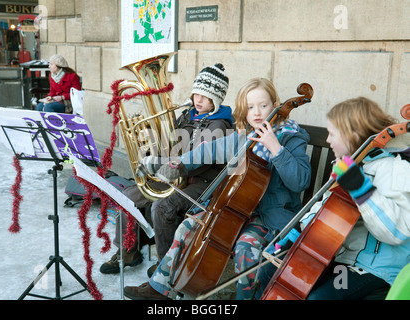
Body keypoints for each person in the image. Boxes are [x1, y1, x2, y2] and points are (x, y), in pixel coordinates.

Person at [123, 77, 312, 300]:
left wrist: (276, 149)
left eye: (263, 105)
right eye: (251, 107)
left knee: (246, 248)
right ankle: (160, 289)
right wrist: (177, 165)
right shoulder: (245, 138)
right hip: (237, 211)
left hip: (270, 217)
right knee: (188, 226)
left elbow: (301, 181)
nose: (257, 112)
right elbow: (208, 150)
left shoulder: (291, 137)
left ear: (275, 105)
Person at [258, 97, 410, 300]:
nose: (328, 140)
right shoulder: (351, 165)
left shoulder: (396, 169)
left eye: (332, 134)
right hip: (342, 260)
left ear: (351, 135)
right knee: (270, 271)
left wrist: (361, 188)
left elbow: (396, 232)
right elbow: (324, 209)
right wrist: (294, 237)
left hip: (376, 270)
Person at [99, 63, 233, 275]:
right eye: (197, 93)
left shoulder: (219, 125)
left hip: (203, 184)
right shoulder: (187, 115)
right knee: (128, 195)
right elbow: (171, 146)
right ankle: (128, 250)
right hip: (175, 174)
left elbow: (199, 162)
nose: (199, 100)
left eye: (206, 97)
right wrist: (148, 142)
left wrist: (161, 163)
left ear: (216, 100)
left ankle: (166, 264)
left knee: (162, 207)